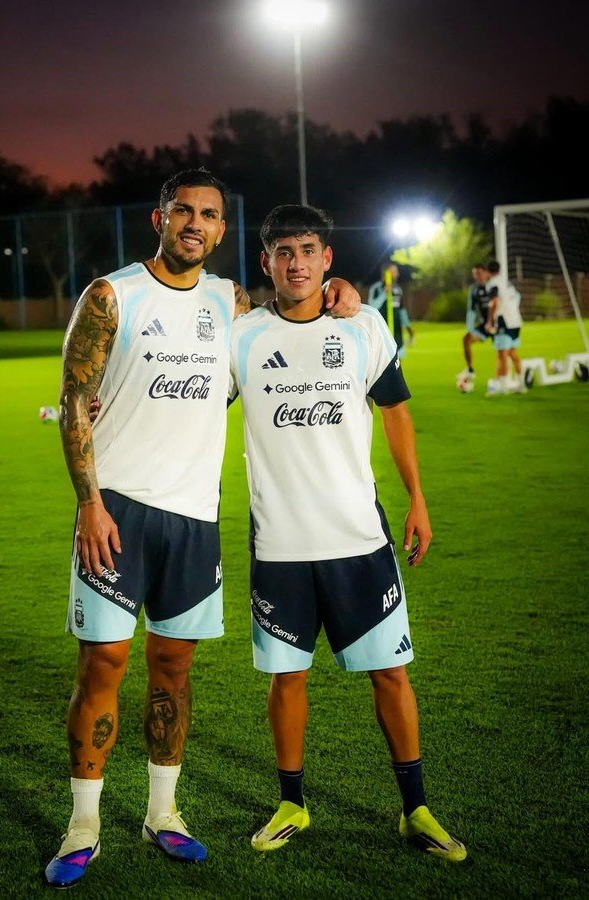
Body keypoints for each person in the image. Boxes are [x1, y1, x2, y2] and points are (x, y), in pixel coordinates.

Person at [44, 169, 361, 889]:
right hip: (116, 513)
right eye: (182, 210)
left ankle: (164, 813)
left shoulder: (233, 305)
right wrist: (89, 501)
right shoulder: (111, 295)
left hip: (194, 519)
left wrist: (347, 294)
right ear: (159, 218)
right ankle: (83, 824)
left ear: (223, 230)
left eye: (209, 214)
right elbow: (73, 400)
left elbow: (298, 313)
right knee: (102, 666)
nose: (195, 222)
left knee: (174, 671)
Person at [229, 205, 466, 862]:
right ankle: (291, 803)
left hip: (361, 540)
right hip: (280, 546)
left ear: (328, 259)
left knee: (391, 674)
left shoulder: (363, 328)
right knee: (287, 680)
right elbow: (192, 404)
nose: (297, 263)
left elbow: (395, 413)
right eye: (284, 251)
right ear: (266, 261)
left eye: (309, 250)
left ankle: (416, 809)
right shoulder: (240, 338)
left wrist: (417, 499)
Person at [484, 260, 524, 395]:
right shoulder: (507, 282)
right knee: (513, 354)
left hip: (504, 321)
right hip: (516, 321)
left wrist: (489, 321)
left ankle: (504, 387)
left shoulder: (493, 283)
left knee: (502, 355)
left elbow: (494, 302)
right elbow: (517, 297)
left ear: (488, 271)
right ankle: (521, 384)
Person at [367, 262, 414, 358]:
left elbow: (401, 310)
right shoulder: (376, 288)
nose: (397, 274)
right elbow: (372, 306)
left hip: (397, 333)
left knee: (398, 362)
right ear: (387, 273)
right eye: (395, 271)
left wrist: (408, 328)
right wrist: (384, 293)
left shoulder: (397, 289)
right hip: (381, 332)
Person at [457, 263, 492, 383]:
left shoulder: (494, 285)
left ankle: (508, 377)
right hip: (485, 325)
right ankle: (470, 370)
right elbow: (471, 309)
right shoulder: (474, 289)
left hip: (499, 324)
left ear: (486, 273)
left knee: (505, 352)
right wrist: (469, 328)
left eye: (479, 273)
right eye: (475, 274)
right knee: (466, 339)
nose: (477, 276)